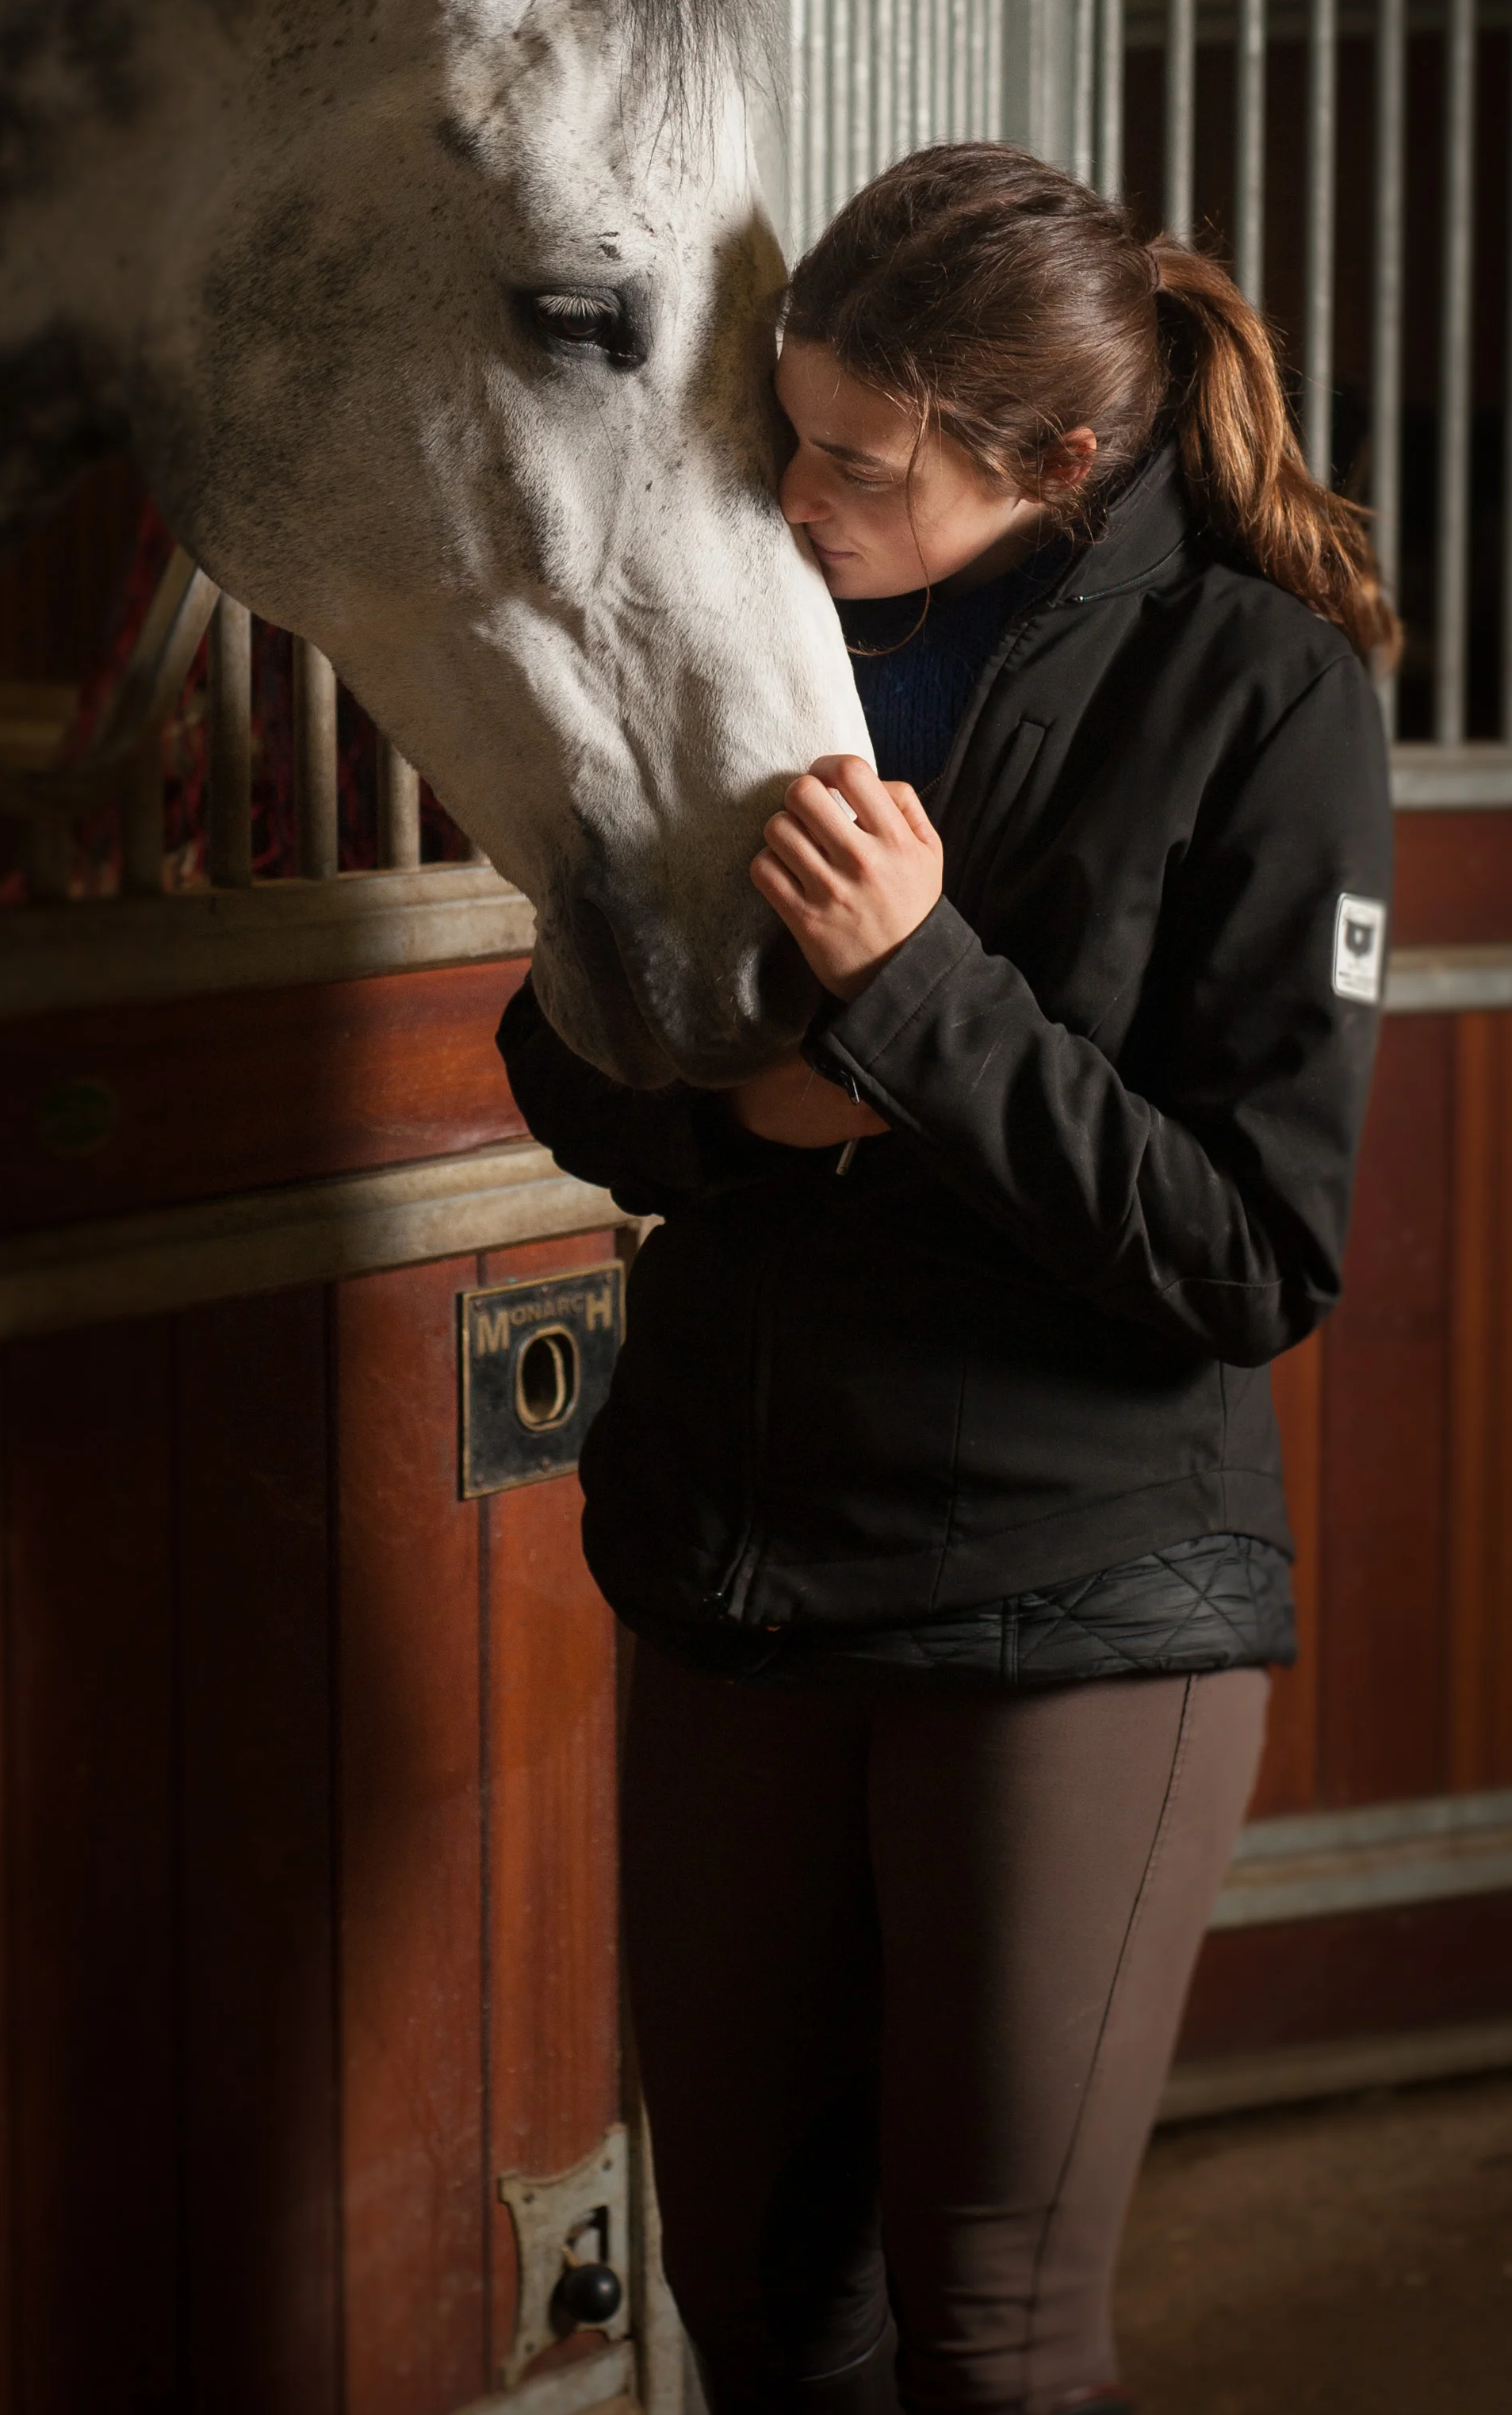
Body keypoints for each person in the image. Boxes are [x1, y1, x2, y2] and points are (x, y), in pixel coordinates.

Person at [498, 144, 1395, 2415]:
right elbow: (562, 1044)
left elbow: (1256, 1248)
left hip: (1079, 1599)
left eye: (854, 460)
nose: (787, 496)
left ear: (1057, 460)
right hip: (738, 1571)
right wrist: (736, 1117)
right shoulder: (753, 626)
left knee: (990, 2336)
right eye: (781, 427)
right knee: (763, 2311)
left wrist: (918, 1001)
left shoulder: (1263, 693)